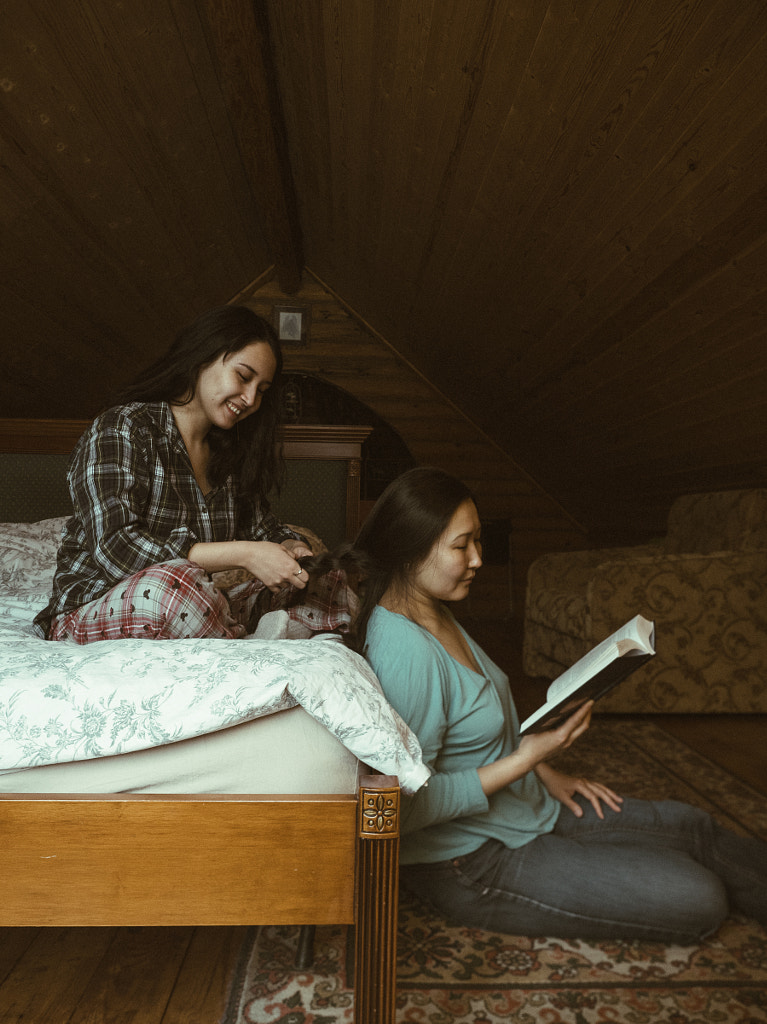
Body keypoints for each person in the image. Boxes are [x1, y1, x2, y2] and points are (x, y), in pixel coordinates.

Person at [346, 465, 767, 943]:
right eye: (462, 546)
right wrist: (528, 758)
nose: (478, 559)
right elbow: (401, 809)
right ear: (409, 549)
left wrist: (544, 772)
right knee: (700, 897)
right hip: (470, 861)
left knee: (692, 826)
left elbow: (480, 726)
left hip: (524, 807)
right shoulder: (406, 652)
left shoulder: (432, 609)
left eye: (478, 542)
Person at [35, 305, 353, 643]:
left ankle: (261, 633)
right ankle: (257, 641)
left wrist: (290, 547)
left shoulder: (230, 452)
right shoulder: (123, 429)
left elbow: (263, 528)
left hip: (194, 608)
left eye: (261, 390)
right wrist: (245, 553)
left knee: (325, 576)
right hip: (102, 606)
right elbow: (117, 549)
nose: (250, 399)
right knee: (175, 584)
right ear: (202, 358)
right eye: (244, 377)